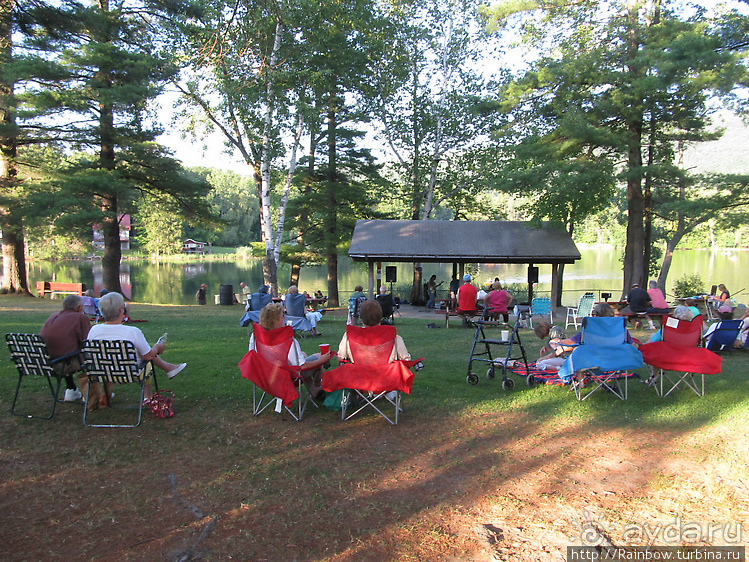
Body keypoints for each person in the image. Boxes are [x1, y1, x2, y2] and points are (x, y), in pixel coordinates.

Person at [88, 292, 187, 403]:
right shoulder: (132, 332)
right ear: (121, 310)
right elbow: (148, 356)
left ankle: (169, 368)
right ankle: (147, 395)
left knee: (141, 353)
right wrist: (157, 348)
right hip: (130, 373)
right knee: (146, 360)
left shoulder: (94, 330)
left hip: (102, 373)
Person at [249, 303, 330, 399]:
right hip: (286, 377)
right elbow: (301, 366)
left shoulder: (256, 337)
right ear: (276, 321)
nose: (285, 318)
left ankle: (314, 390)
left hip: (266, 376)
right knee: (317, 357)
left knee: (302, 355)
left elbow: (253, 356)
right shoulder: (287, 340)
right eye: (283, 316)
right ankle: (317, 387)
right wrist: (322, 360)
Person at [39, 295, 90, 402]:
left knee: (67, 349)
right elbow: (88, 342)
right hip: (65, 364)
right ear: (79, 308)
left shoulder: (53, 316)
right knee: (93, 354)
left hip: (45, 363)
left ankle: (71, 389)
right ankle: (94, 392)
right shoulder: (80, 318)